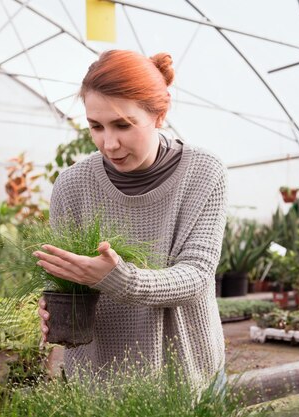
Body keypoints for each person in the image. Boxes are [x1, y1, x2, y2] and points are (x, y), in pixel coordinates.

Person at [33, 50, 227, 385]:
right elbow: (63, 277)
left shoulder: (202, 172)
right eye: (96, 126)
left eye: (123, 125)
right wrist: (55, 304)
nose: (109, 143)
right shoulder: (72, 184)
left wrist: (118, 277)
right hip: (100, 378)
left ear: (159, 115)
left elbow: (197, 276)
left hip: (186, 375)